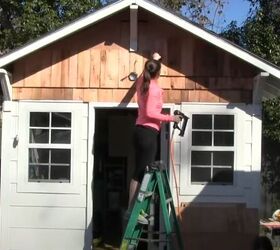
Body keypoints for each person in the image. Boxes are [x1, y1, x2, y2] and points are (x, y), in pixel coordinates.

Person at [128, 54, 181, 219]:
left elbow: (146, 72)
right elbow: (151, 112)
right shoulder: (154, 89)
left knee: (138, 172)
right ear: (159, 73)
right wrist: (171, 118)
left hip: (139, 130)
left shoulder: (141, 83)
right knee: (145, 173)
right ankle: (137, 212)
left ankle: (132, 210)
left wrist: (154, 59)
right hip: (148, 133)